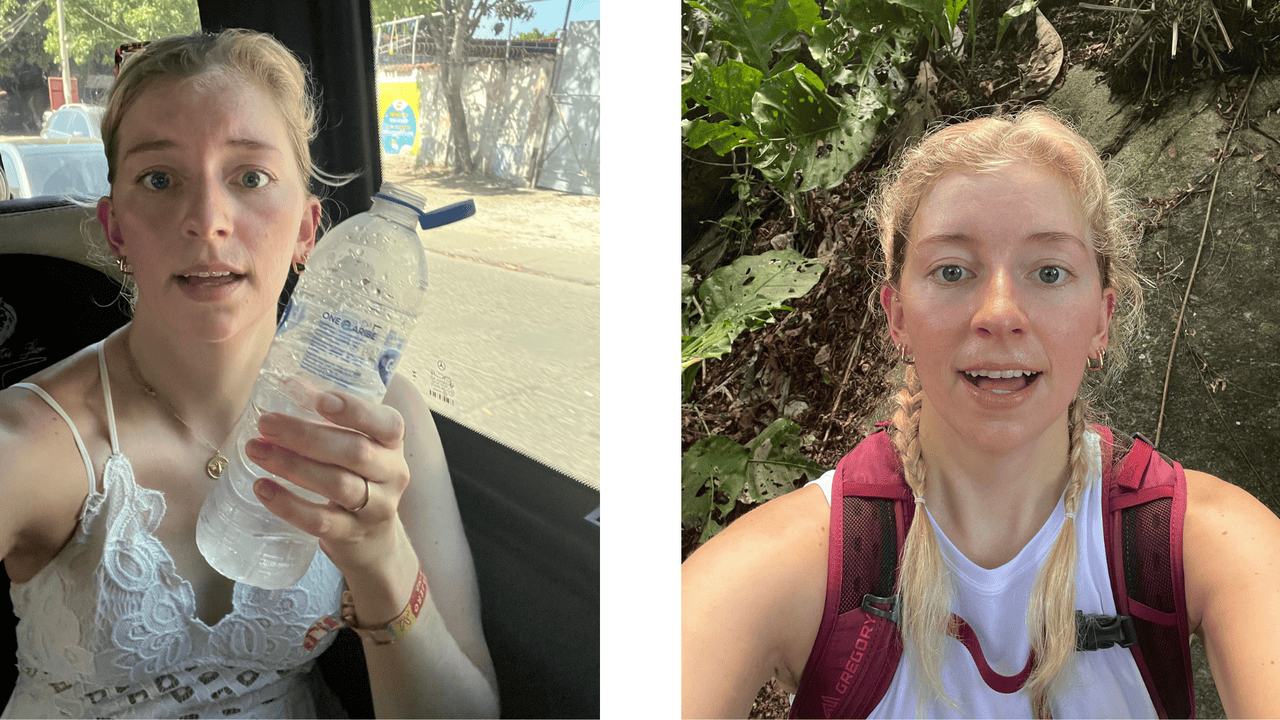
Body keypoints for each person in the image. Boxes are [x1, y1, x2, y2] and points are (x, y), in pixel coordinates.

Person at [681, 107, 1280, 718]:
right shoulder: (794, 565)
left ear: (1101, 319)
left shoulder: (1202, 543)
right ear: (897, 317)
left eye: (1049, 272)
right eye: (952, 271)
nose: (999, 313)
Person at [0, 29, 498, 718]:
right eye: (159, 179)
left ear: (307, 230)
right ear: (116, 230)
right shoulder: (30, 442)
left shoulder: (382, 422)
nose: (208, 220)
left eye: (251, 178)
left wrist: (379, 556)